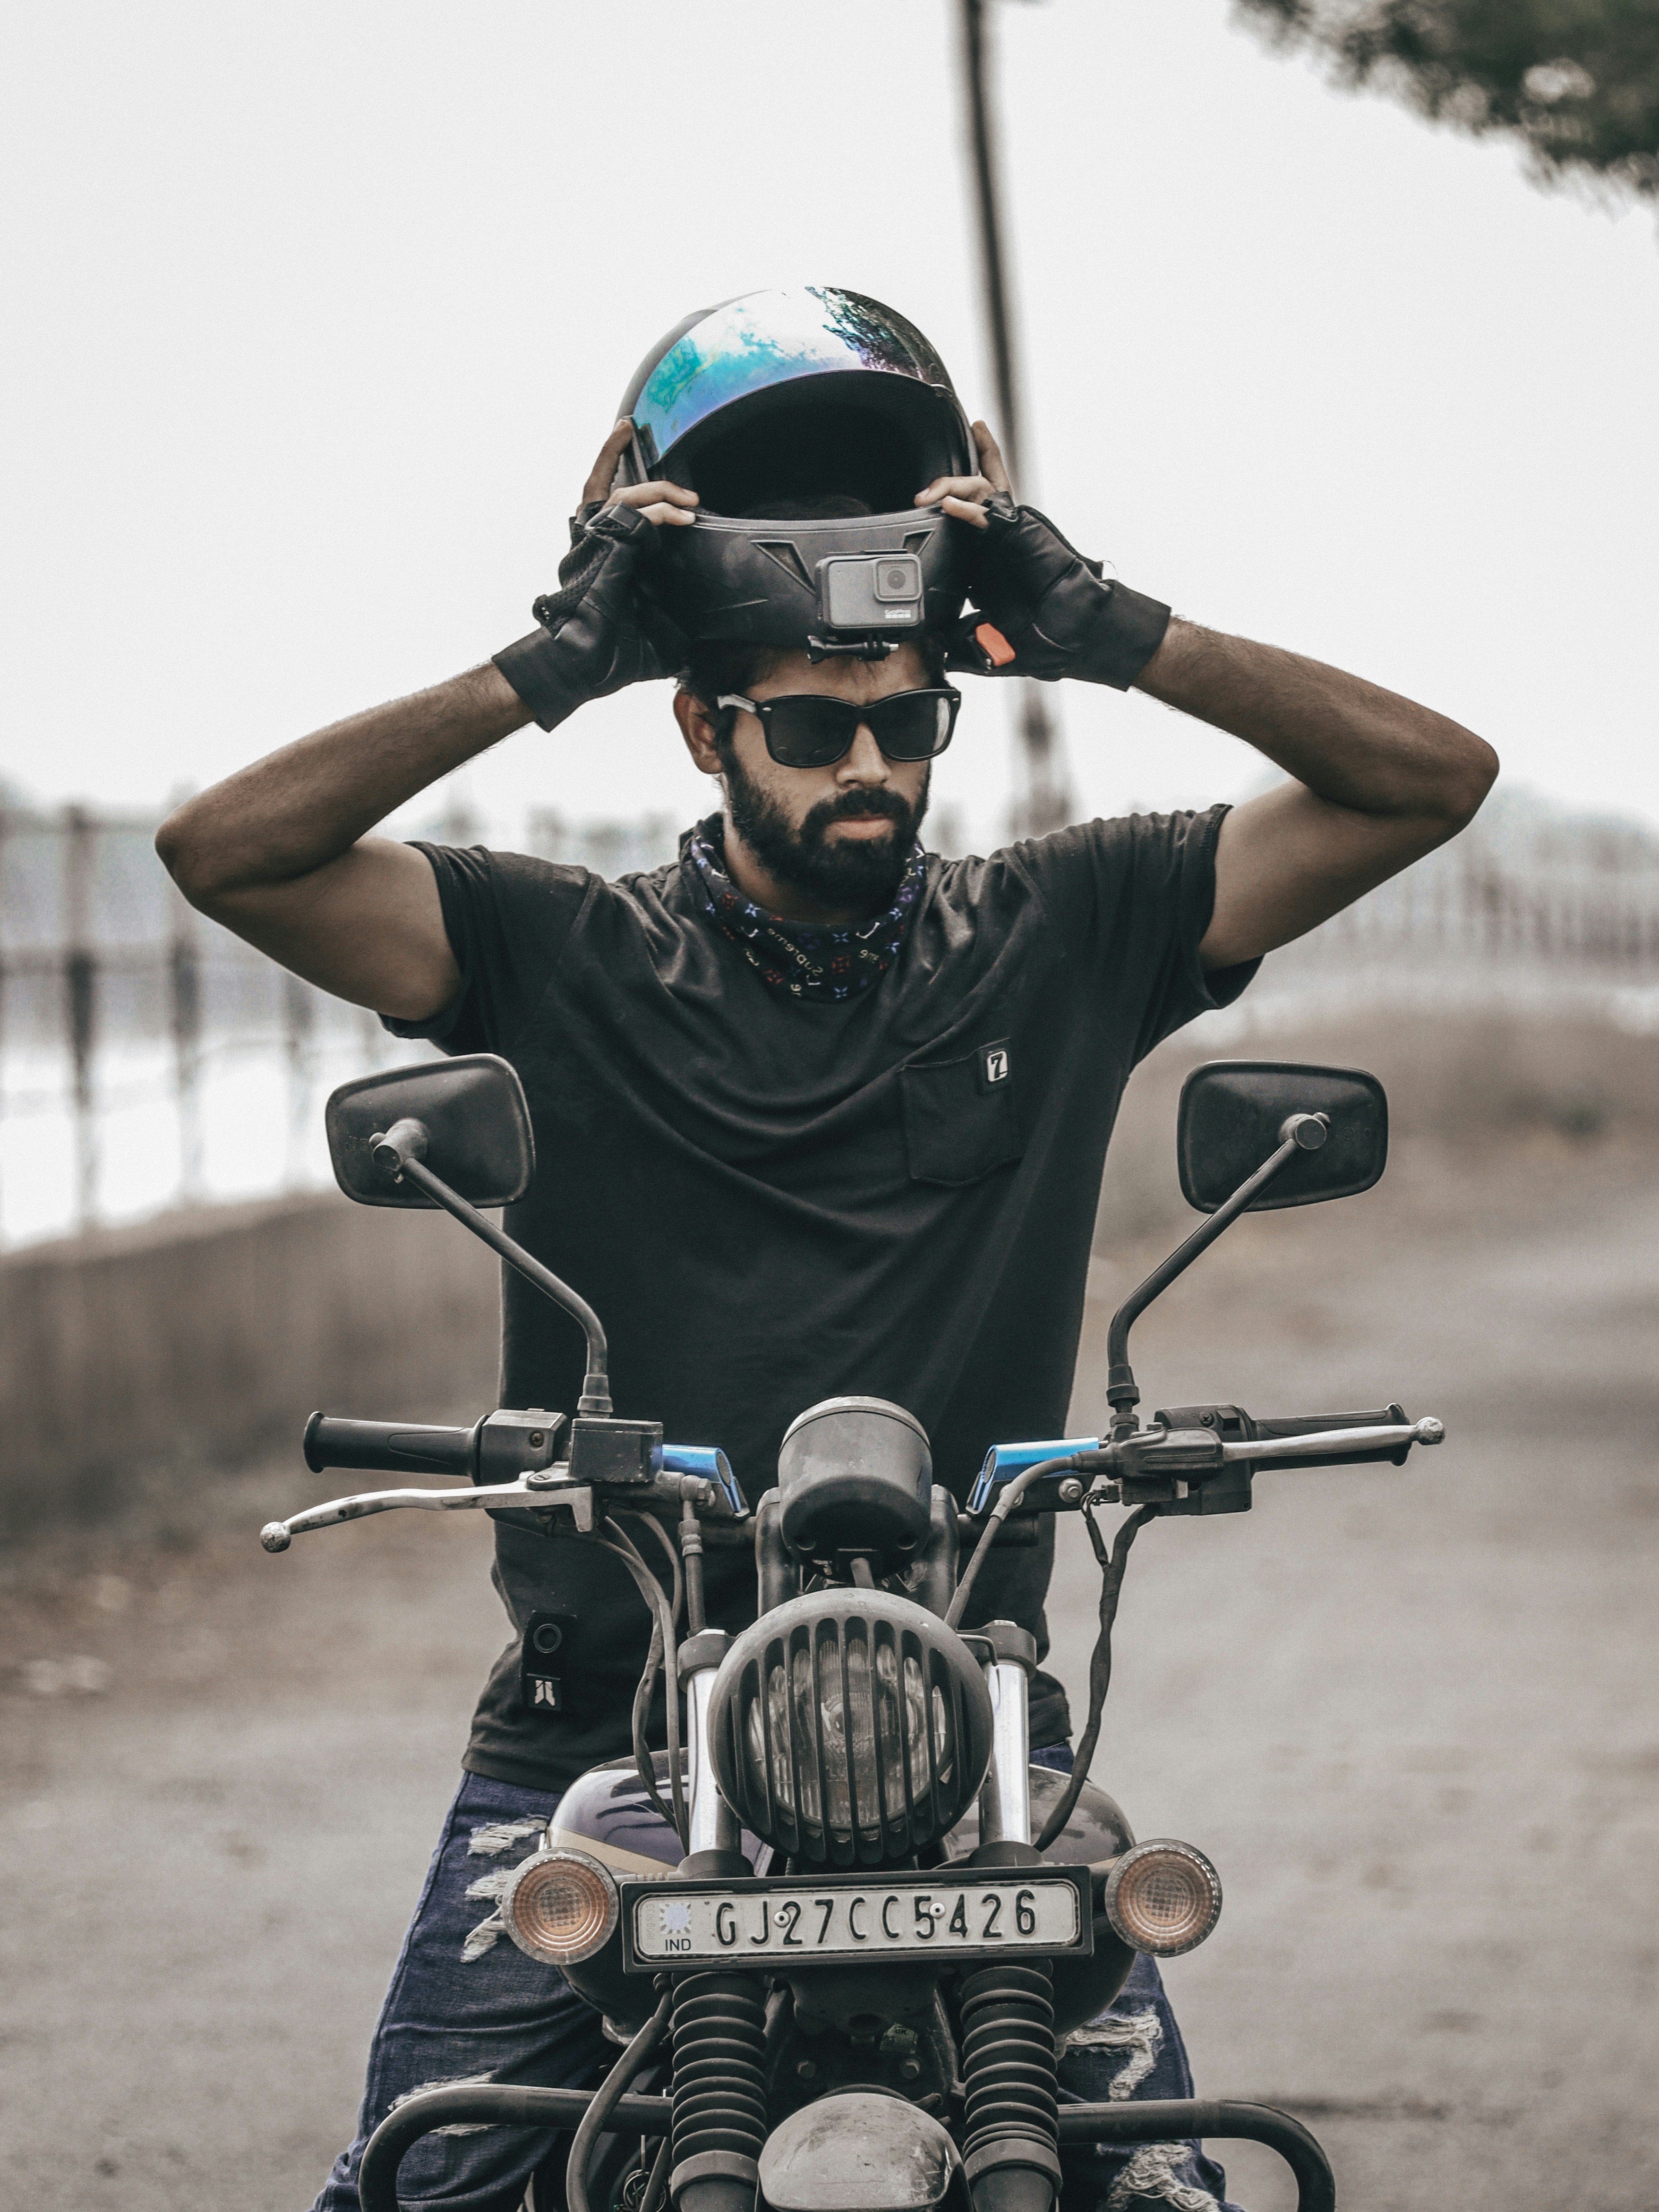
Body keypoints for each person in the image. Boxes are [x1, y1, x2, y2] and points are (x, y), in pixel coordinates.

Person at [156, 288, 1496, 2212]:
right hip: (605, 1718)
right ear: (705, 726)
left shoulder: (1069, 923)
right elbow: (231, 856)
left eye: (905, 725)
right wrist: (544, 666)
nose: (869, 766)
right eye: (809, 727)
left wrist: (1102, 625)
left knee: (1159, 2188)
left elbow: (1423, 782)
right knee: (424, 2180)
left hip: (972, 1732)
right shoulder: (562, 951)